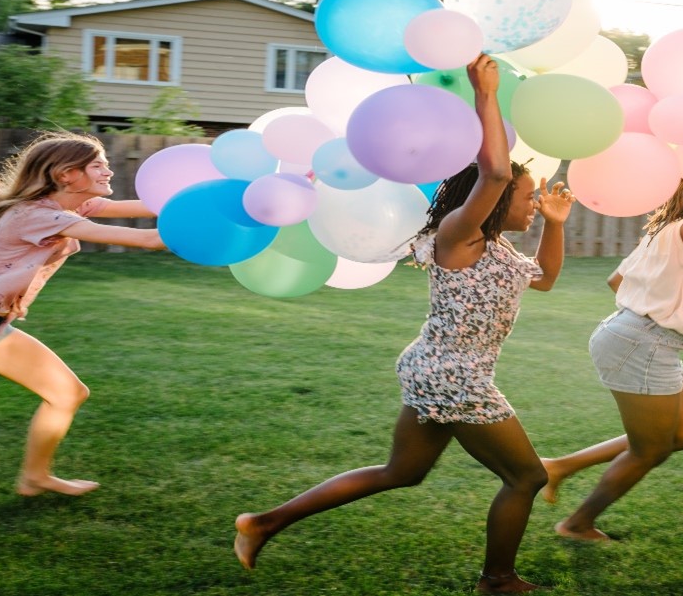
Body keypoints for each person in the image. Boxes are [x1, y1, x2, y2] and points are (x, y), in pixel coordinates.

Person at [234, 55, 575, 595]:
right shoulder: (459, 235)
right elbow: (495, 170)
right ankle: (498, 580)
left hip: (436, 369)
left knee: (401, 473)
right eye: (529, 196)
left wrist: (554, 226)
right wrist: (484, 93)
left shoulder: (498, 247)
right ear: (496, 197)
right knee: (527, 477)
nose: (534, 202)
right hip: (454, 377)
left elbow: (547, 279)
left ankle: (262, 523)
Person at [0, 132, 165, 496]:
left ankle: (35, 477)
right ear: (67, 174)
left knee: (67, 394)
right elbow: (151, 239)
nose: (108, 171)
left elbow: (156, 207)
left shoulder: (69, 206)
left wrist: (214, 201)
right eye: (97, 165)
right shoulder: (36, 215)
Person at [542, 173, 683, 541]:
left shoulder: (665, 233)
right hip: (645, 342)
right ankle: (576, 524)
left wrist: (645, 309)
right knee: (650, 450)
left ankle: (559, 467)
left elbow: (615, 280)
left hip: (644, 339)